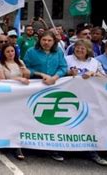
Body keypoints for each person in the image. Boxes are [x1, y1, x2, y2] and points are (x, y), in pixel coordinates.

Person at [23, 31, 67, 162]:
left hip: (54, 86)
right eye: (44, 40)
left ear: (54, 42)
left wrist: (54, 77)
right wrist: (41, 74)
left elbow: (63, 67)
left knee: (51, 117)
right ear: (39, 40)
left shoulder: (58, 52)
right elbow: (25, 68)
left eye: (49, 40)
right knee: (33, 115)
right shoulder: (31, 51)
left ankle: (53, 148)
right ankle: (31, 145)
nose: (46, 43)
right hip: (35, 87)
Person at [0, 43, 29, 160]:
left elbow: (27, 76)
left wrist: (25, 72)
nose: (10, 53)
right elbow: (3, 80)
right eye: (8, 51)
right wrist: (18, 79)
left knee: (19, 120)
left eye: (12, 51)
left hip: (20, 96)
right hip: (7, 97)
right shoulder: (0, 65)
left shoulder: (21, 62)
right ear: (4, 53)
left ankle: (17, 146)